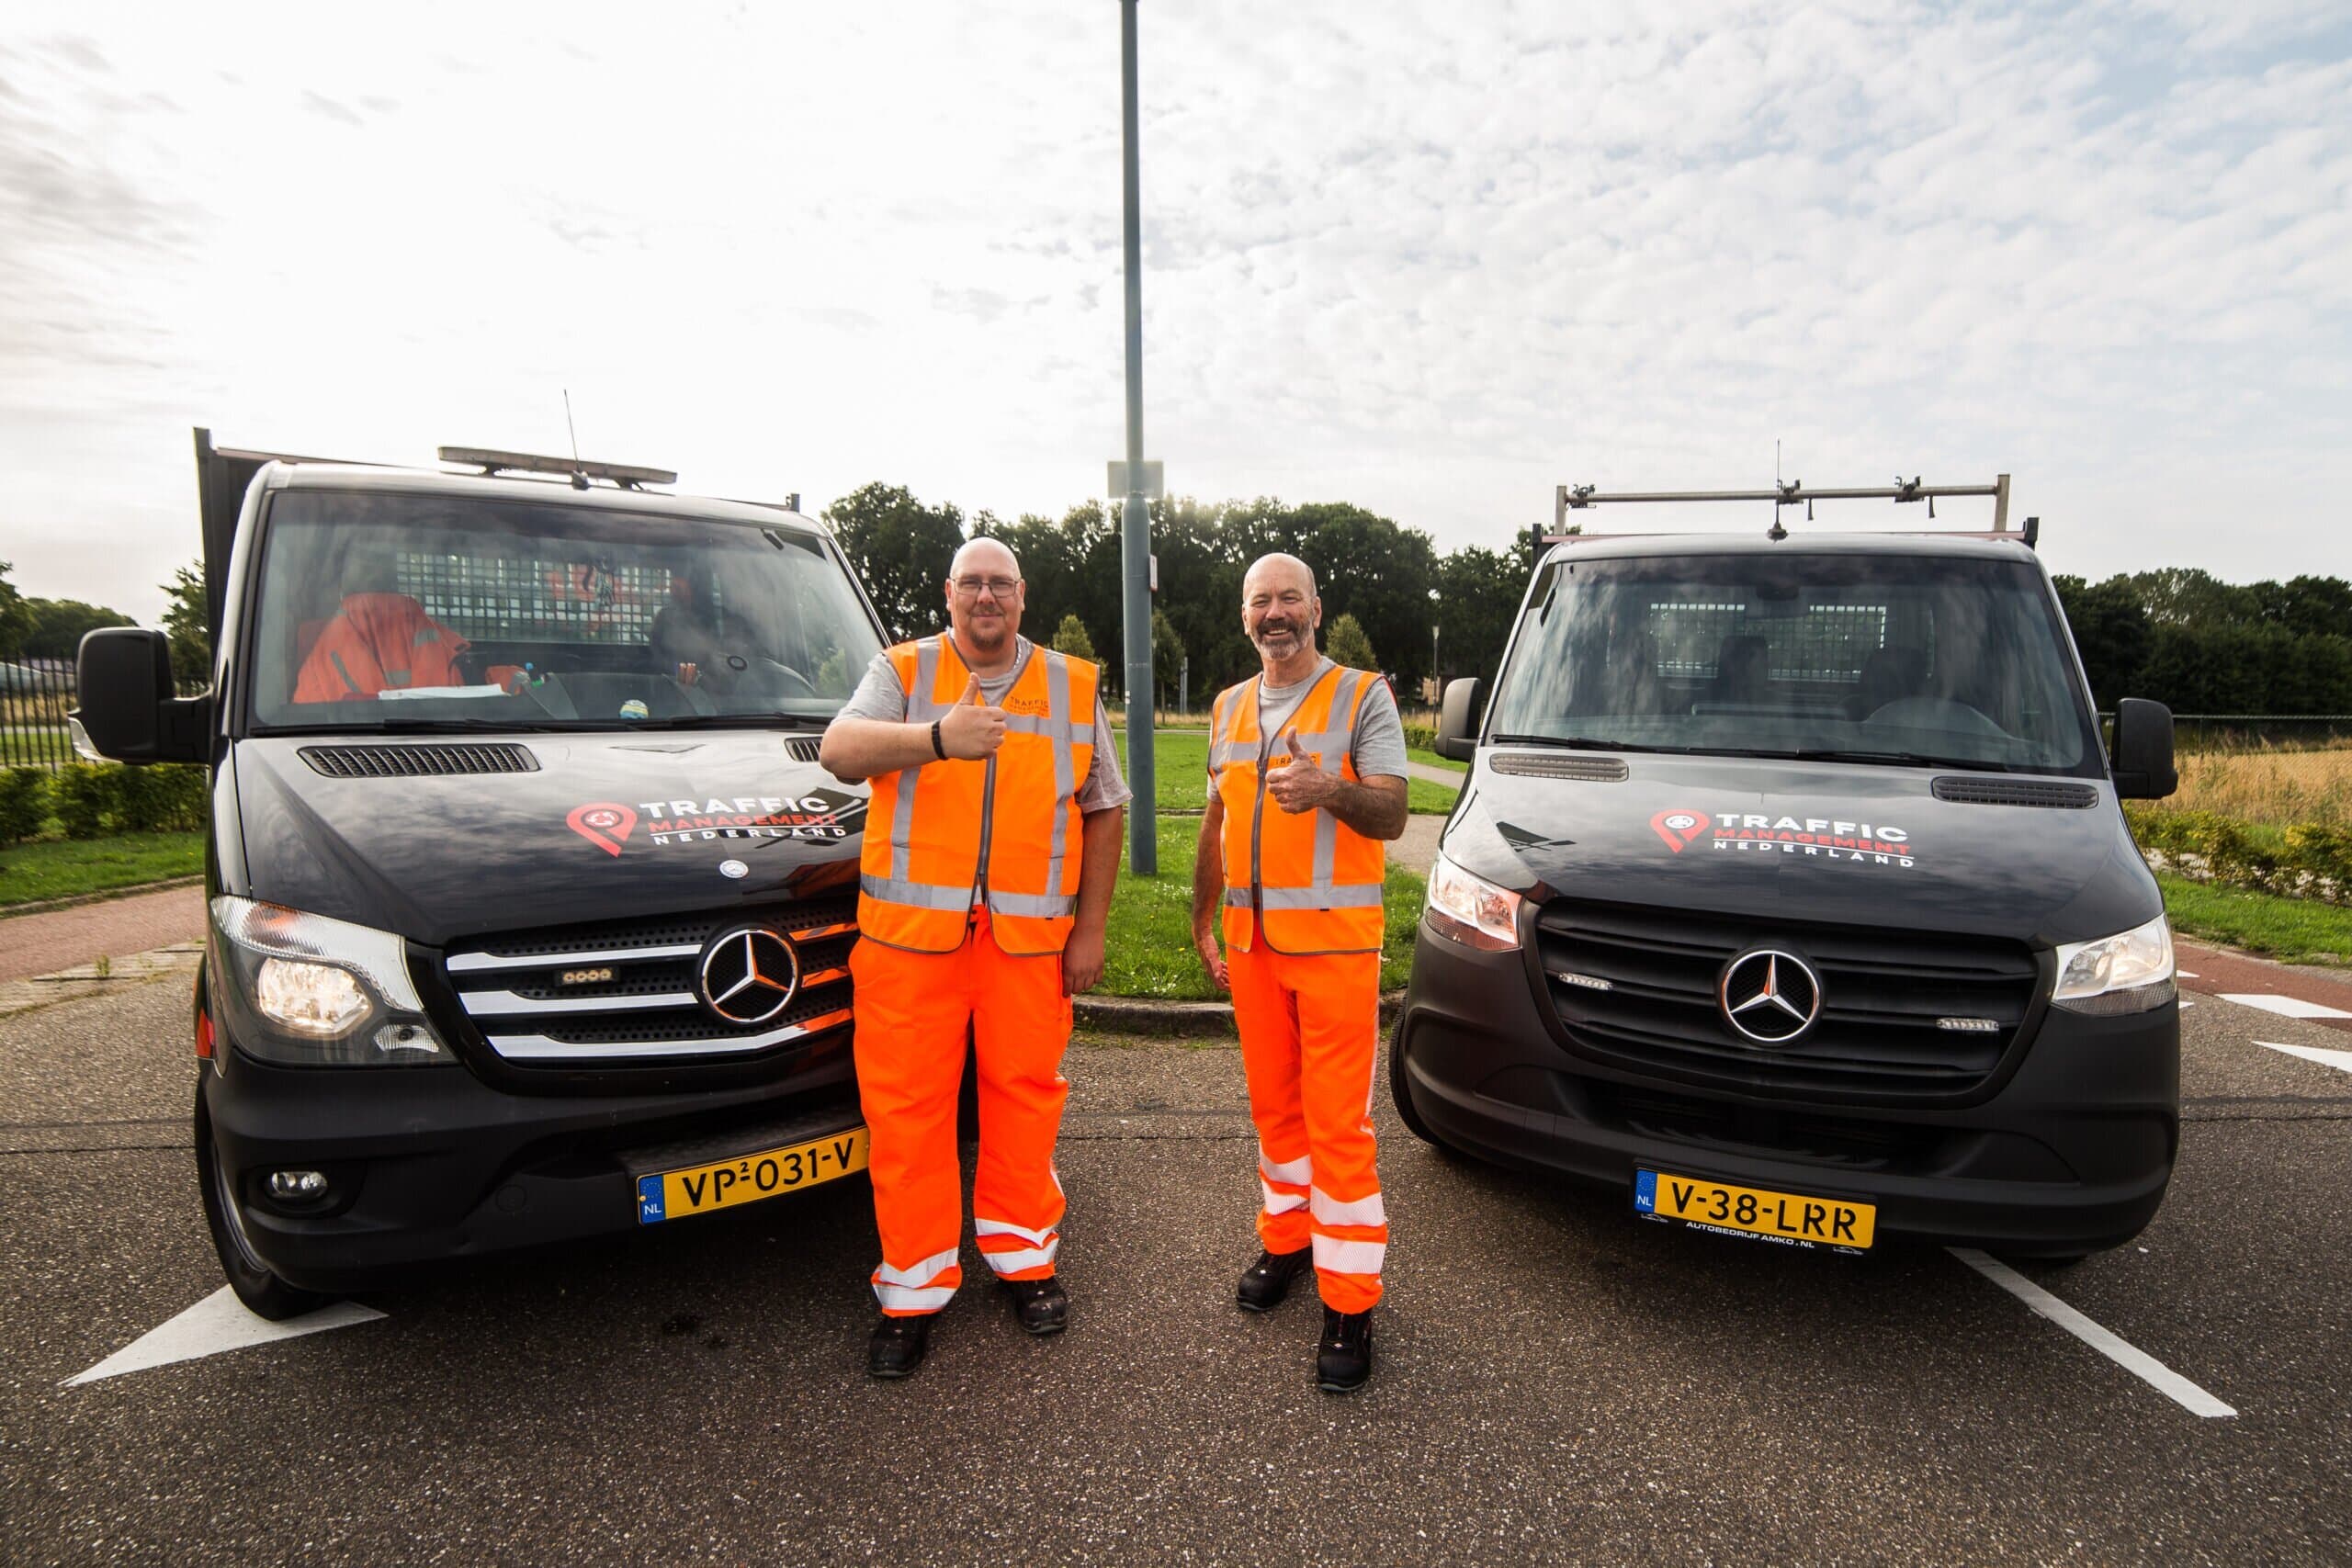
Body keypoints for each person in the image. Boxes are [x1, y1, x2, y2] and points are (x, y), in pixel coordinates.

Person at [819, 537, 1128, 1380]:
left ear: (1022, 597)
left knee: (1024, 1101)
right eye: (971, 583)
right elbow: (838, 750)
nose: (985, 596)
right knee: (908, 1114)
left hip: (1027, 946)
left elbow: (1105, 808)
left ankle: (1024, 1261)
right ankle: (911, 1293)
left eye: (1001, 583)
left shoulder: (1069, 684)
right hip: (910, 946)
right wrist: (937, 738)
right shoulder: (904, 670)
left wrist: (1090, 929)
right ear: (948, 593)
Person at [1193, 553, 1408, 1393]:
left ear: (1316, 607)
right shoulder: (1226, 706)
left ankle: (1350, 1298)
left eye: (1288, 597)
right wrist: (1202, 918)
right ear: (1245, 616)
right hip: (1250, 945)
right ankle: (1288, 1238)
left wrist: (1329, 788)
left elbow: (1392, 810)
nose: (1274, 612)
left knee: (1338, 1125)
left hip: (1334, 948)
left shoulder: (1362, 695)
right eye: (1260, 601)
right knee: (1275, 1109)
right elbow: (1216, 818)